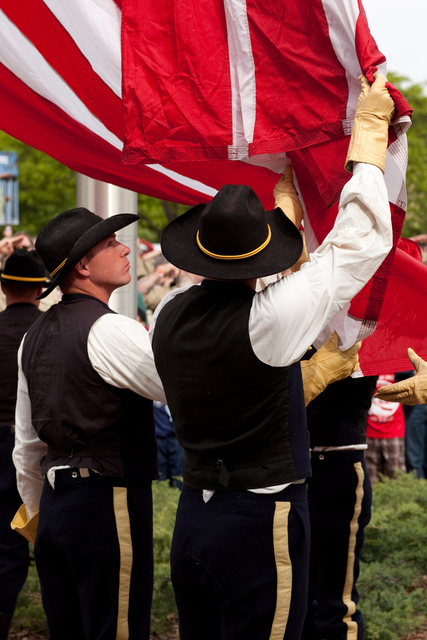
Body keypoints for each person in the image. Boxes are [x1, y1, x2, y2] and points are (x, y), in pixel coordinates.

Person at [148, 73, 395, 640]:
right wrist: (369, 138)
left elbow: (249, 317)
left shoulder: (170, 312)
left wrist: (280, 233)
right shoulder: (270, 321)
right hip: (259, 519)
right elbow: (360, 241)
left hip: (194, 514)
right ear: (258, 263)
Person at [12, 207, 166, 640]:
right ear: (82, 265)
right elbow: (180, 389)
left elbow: (26, 446)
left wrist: (42, 516)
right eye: (111, 243)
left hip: (56, 505)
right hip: (106, 500)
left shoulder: (33, 336)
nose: (124, 248)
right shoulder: (112, 329)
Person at [301, 374, 377, 640]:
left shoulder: (367, 337)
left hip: (339, 464)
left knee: (335, 605)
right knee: (298, 603)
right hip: (291, 470)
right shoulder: (291, 332)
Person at [0, 249, 48, 640]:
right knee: (37, 539)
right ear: (39, 289)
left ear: (3, 287)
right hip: (36, 448)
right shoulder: (48, 331)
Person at [365, 374, 407, 484]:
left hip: (394, 430)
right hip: (370, 430)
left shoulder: (400, 369)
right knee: (370, 480)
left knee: (397, 477)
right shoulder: (368, 367)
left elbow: (409, 400)